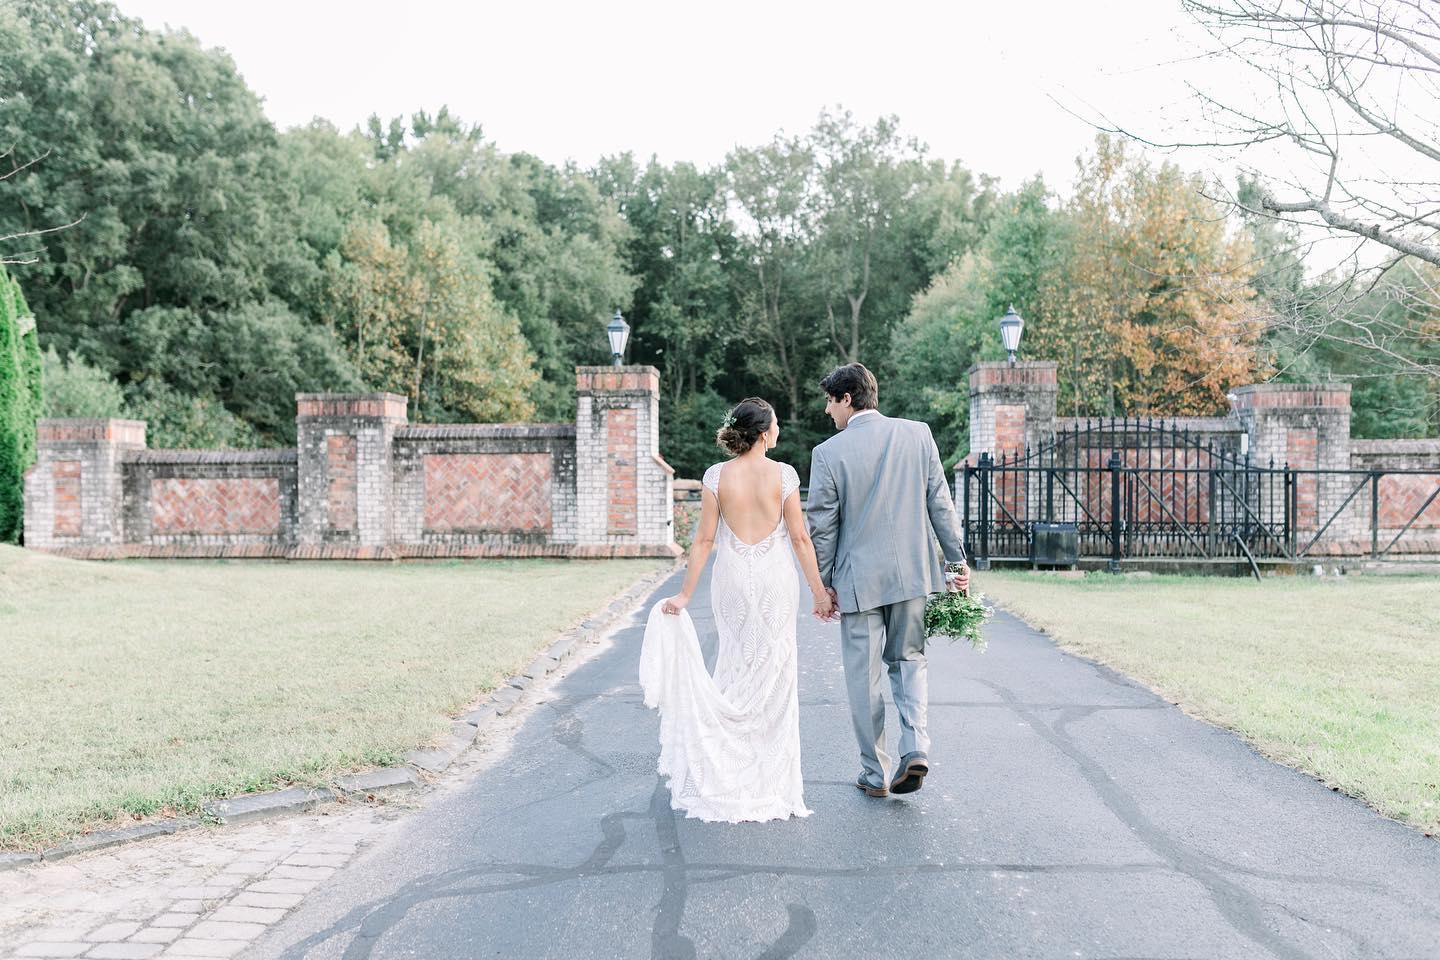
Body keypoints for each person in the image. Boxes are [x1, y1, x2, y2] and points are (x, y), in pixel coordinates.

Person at [638, 397, 831, 823]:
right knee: (775, 668)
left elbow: (704, 540)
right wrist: (819, 593)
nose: (779, 430)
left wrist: (684, 595)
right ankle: (767, 781)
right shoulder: (784, 475)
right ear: (763, 432)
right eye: (776, 424)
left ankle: (726, 769)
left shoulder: (716, 475)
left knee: (735, 664)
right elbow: (800, 539)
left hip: (731, 582)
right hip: (775, 581)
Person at [805, 362, 969, 798]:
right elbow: (941, 504)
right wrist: (956, 564)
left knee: (864, 677)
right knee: (910, 660)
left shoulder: (828, 453)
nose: (827, 411)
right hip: (912, 574)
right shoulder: (918, 434)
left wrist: (823, 586)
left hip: (858, 582)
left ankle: (875, 773)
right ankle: (915, 747)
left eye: (830, 401)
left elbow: (823, 527)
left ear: (847, 398)